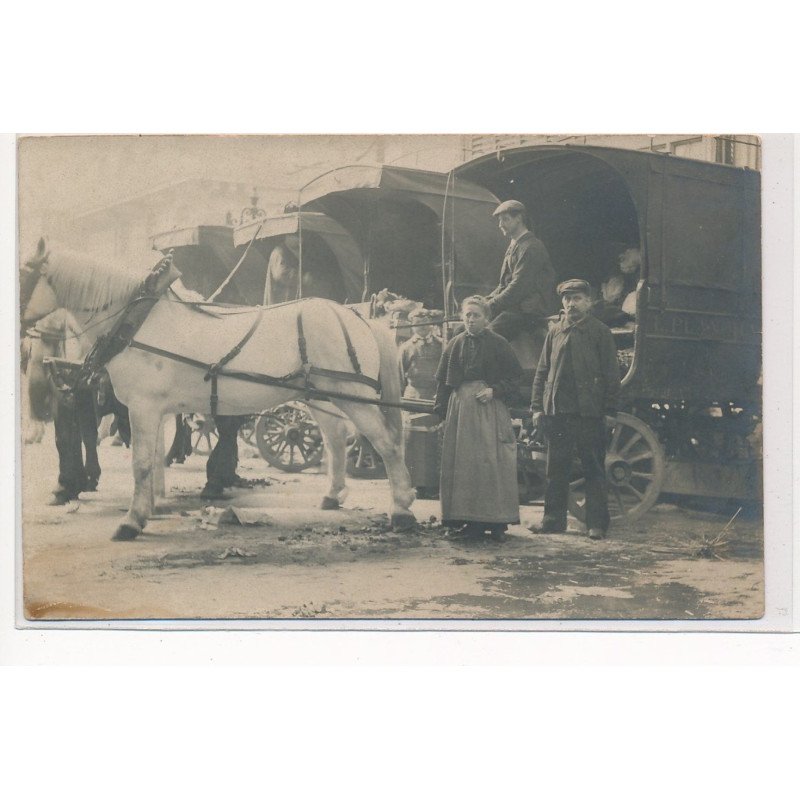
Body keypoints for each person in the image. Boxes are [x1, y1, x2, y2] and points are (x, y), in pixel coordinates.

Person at [530, 279, 621, 540]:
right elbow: (541, 372)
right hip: (558, 413)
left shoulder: (600, 333)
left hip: (589, 414)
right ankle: (552, 521)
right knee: (556, 470)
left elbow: (611, 376)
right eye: (567, 299)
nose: (572, 304)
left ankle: (596, 524)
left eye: (578, 298)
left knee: (593, 469)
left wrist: (610, 411)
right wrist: (538, 407)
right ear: (562, 303)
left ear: (589, 303)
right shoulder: (555, 332)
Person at [434, 296, 522, 541]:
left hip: (489, 409)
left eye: (476, 315)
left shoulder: (499, 343)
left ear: (487, 319)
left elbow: (515, 377)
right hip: (461, 410)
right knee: (464, 464)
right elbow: (443, 382)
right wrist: (441, 413)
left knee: (490, 462)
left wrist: (495, 390)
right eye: (467, 315)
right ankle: (468, 521)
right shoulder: (455, 344)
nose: (471, 320)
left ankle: (495, 523)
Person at [485, 200, 558, 342]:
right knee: (463, 330)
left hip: (529, 311)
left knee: (487, 336)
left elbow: (519, 286)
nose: (500, 225)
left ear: (519, 218)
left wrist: (491, 305)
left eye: (505, 220)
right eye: (499, 221)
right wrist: (484, 301)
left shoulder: (531, 247)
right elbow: (504, 285)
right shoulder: (514, 245)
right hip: (514, 308)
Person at [399, 308, 444, 499]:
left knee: (435, 441)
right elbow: (399, 374)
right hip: (413, 397)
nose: (422, 327)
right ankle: (417, 484)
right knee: (414, 442)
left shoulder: (442, 345)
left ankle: (435, 484)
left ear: (431, 324)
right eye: (417, 324)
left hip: (434, 396)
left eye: (425, 323)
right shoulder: (406, 347)